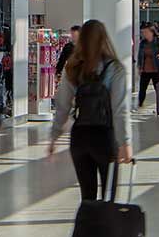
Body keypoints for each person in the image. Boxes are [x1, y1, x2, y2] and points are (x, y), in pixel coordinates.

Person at [46, 19, 133, 200]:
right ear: (104, 39)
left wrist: (54, 137)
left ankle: (88, 227)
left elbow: (62, 105)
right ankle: (106, 227)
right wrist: (125, 143)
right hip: (105, 137)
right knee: (109, 196)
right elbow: (119, 110)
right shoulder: (115, 69)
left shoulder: (73, 67)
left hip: (80, 137)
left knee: (87, 197)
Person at [135, 25, 159, 109]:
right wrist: (139, 67)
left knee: (158, 88)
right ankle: (140, 104)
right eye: (143, 32)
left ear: (152, 32)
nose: (144, 34)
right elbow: (140, 55)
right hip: (145, 69)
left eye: (146, 32)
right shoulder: (143, 42)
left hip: (156, 68)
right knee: (142, 88)